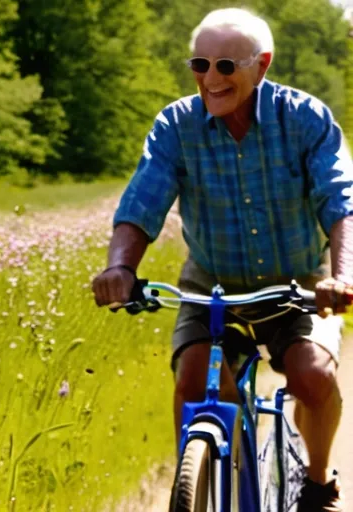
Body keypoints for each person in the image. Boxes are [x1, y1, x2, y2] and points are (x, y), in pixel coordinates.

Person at [91, 8, 351, 510]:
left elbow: (342, 202)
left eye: (226, 66)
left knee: (312, 377)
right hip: (210, 287)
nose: (211, 79)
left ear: (263, 65)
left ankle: (318, 482)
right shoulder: (176, 125)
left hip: (295, 285)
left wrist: (341, 277)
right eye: (199, 64)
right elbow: (142, 201)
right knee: (193, 381)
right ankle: (211, 479)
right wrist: (120, 267)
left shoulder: (304, 119)